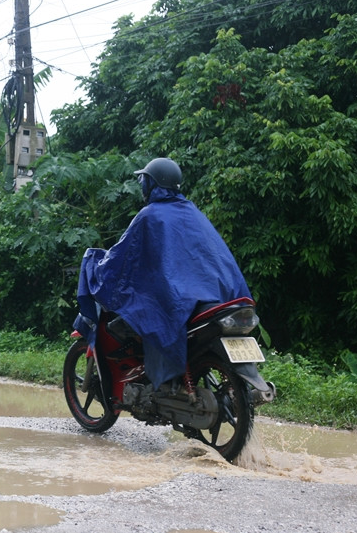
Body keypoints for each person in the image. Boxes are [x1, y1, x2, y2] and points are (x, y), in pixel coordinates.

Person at [73, 157, 252, 390]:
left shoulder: (150, 215)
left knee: (148, 313)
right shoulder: (192, 212)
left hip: (180, 297)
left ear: (151, 185)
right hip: (217, 294)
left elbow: (123, 257)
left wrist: (96, 266)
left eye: (143, 181)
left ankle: (161, 383)